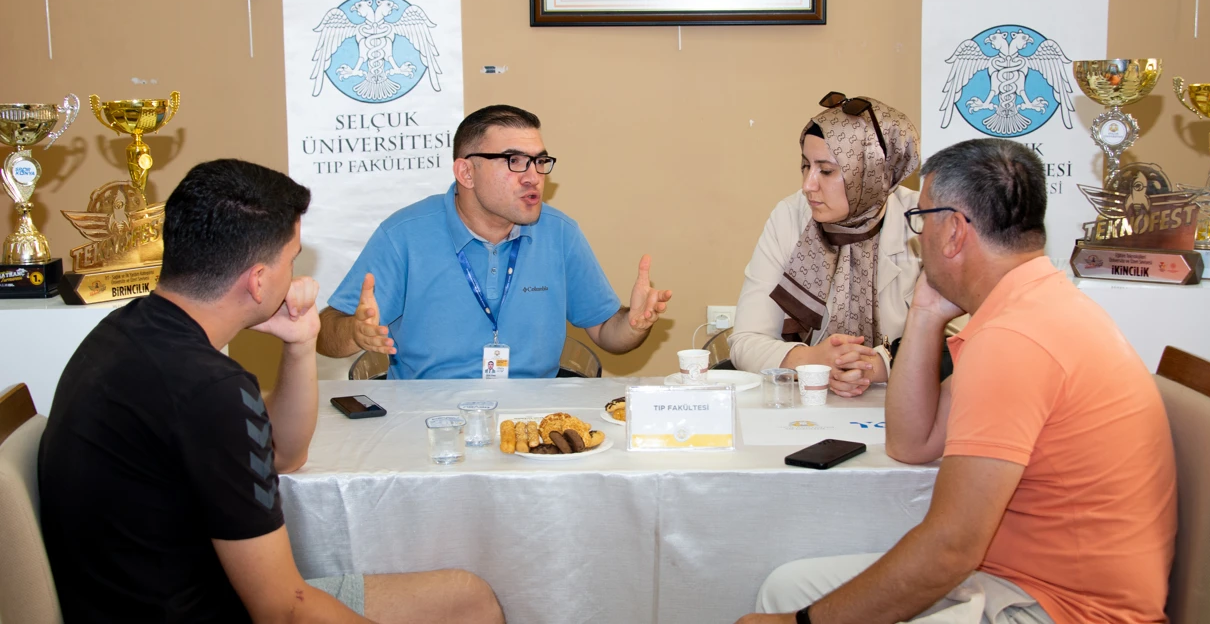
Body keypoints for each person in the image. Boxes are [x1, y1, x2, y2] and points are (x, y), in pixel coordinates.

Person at [39, 159, 503, 623]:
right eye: (292, 257)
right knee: (471, 602)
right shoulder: (208, 389)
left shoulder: (131, 330)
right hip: (199, 609)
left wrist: (300, 344)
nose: (295, 273)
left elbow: (283, 456)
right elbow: (282, 611)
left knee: (468, 597)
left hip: (140, 593)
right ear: (259, 280)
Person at [739, 139, 1177, 624]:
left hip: (1058, 609)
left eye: (920, 221)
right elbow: (913, 442)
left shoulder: (1015, 339)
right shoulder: (1029, 305)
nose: (916, 238)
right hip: (1016, 579)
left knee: (790, 611)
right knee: (785, 588)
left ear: (953, 232)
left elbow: (951, 548)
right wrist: (925, 312)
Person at [317, 105, 671, 379]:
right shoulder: (404, 235)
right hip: (427, 424)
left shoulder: (560, 233)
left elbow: (608, 333)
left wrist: (634, 323)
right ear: (466, 172)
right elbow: (325, 335)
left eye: (540, 161)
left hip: (532, 422)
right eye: (514, 161)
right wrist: (354, 331)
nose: (533, 177)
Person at [731, 92, 944, 397]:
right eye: (806, 166)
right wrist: (811, 361)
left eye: (826, 171)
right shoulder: (789, 217)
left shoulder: (925, 221)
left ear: (871, 172)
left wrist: (880, 364)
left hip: (902, 401)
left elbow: (961, 340)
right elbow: (746, 340)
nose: (808, 185)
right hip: (805, 403)